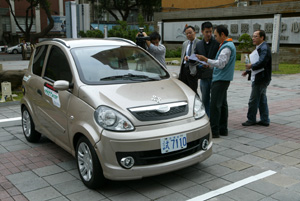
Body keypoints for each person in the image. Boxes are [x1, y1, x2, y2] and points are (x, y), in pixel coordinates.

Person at [196, 25, 236, 138]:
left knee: (215, 106)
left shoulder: (226, 47)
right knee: (222, 104)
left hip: (220, 79)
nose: (215, 38)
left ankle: (214, 131)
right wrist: (209, 64)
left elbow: (221, 64)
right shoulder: (227, 45)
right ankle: (223, 129)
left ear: (222, 35)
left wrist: (206, 59)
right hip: (223, 78)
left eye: (216, 35)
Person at [241, 30, 272, 127]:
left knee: (253, 100)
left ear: (262, 37)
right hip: (260, 77)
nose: (253, 38)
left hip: (261, 78)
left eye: (256, 36)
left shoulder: (264, 48)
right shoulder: (260, 47)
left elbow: (262, 62)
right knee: (262, 99)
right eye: (253, 36)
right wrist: (248, 71)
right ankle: (265, 119)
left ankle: (251, 119)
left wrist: (251, 66)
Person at [194, 22, 219, 118]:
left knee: (215, 100)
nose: (209, 34)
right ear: (202, 32)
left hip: (214, 75)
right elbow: (196, 57)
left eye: (210, 32)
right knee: (204, 99)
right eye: (206, 32)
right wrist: (200, 64)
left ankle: (214, 118)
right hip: (204, 76)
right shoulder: (199, 44)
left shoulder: (217, 43)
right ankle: (207, 117)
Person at [179, 26, 200, 94]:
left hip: (192, 70)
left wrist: (190, 58)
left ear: (194, 32)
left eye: (190, 33)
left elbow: (199, 56)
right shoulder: (185, 43)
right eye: (187, 34)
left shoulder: (199, 43)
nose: (188, 35)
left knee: (193, 90)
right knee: (184, 90)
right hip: (184, 69)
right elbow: (182, 56)